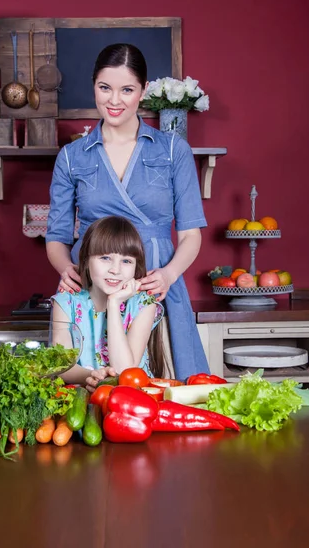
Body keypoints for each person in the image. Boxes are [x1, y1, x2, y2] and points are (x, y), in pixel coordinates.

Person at [46, 43, 209, 380]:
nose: (114, 100)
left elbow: (191, 235)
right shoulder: (72, 157)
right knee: (81, 389)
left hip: (154, 285)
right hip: (91, 290)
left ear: (144, 91)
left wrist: (168, 275)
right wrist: (67, 270)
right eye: (105, 88)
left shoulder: (173, 150)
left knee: (162, 393)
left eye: (127, 90)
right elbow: (56, 238)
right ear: (94, 86)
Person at [51, 216, 165, 392]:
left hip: (134, 399)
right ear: (87, 260)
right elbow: (60, 365)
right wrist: (91, 376)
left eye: (126, 261)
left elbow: (124, 371)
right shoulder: (66, 302)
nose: (115, 270)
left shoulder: (144, 304)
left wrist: (113, 303)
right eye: (105, 258)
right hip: (82, 395)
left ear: (136, 266)